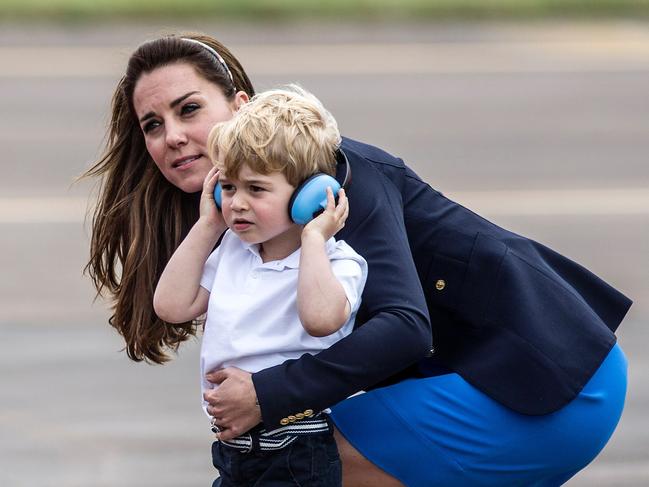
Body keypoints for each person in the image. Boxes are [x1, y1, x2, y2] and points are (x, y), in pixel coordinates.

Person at [84, 33, 631, 486]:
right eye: (152, 124)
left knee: (288, 463)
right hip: (492, 376)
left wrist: (267, 394)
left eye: (189, 109)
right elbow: (178, 306)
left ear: (242, 105)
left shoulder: (336, 183)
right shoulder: (237, 215)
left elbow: (405, 329)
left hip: (548, 381)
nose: (172, 136)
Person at [153, 85, 368, 486]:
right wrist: (207, 225)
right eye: (229, 188)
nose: (236, 203)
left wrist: (313, 239)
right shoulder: (235, 251)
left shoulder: (337, 261)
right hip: (233, 452)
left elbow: (321, 319)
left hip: (298, 451)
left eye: (256, 189)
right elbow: (171, 305)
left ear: (307, 196)